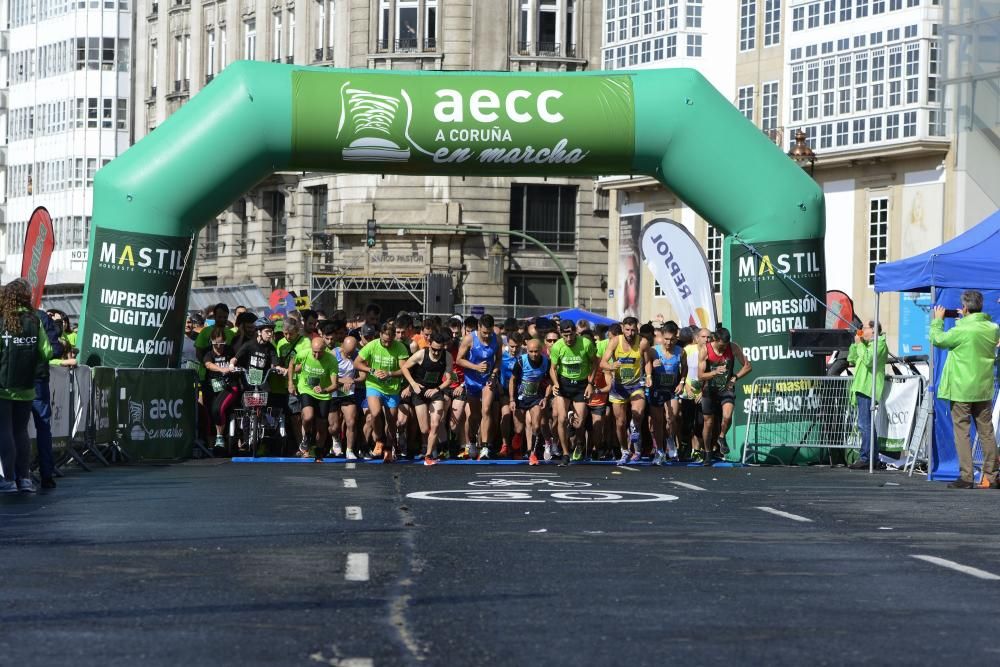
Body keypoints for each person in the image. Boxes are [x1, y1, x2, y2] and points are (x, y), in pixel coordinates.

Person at [929, 292, 1000, 489]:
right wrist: (967, 318)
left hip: (961, 387)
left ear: (965, 308)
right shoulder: (992, 328)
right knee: (987, 432)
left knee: (962, 431)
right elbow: (977, 331)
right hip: (983, 386)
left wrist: (937, 321)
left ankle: (966, 476)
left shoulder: (961, 330)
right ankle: (992, 476)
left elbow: (937, 339)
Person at [0, 279, 53, 493]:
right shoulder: (35, 320)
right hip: (27, 386)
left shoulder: (3, 319)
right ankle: (25, 479)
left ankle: (8, 479)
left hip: (3, 385)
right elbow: (47, 352)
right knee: (21, 431)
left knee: (4, 431)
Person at [353, 322, 410, 463]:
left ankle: (389, 448)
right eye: (384, 341)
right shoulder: (372, 345)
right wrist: (371, 370)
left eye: (390, 341)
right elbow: (357, 363)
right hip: (374, 385)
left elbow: (404, 369)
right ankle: (379, 439)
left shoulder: (400, 347)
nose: (387, 344)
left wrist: (390, 373)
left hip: (392, 389)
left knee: (392, 421)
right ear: (380, 336)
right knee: (376, 413)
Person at [601, 316, 652, 464]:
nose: (630, 333)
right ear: (622, 329)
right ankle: (625, 450)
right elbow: (603, 363)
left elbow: (647, 362)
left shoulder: (642, 342)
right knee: (620, 423)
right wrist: (611, 366)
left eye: (633, 330)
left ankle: (636, 441)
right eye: (627, 330)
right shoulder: (615, 341)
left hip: (636, 385)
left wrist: (648, 375)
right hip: (619, 386)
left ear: (637, 329)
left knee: (638, 414)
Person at [548, 319, 598, 466]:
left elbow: (595, 362)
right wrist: (556, 383)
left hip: (581, 384)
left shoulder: (586, 344)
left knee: (579, 423)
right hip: (564, 384)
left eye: (571, 335)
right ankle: (565, 453)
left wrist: (590, 383)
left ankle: (572, 420)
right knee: (561, 418)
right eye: (565, 336)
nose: (568, 339)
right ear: (561, 335)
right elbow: (552, 368)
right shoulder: (557, 346)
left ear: (575, 332)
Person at [698, 327, 752, 466]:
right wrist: (715, 372)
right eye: (721, 346)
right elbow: (700, 375)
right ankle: (708, 452)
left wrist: (735, 377)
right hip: (709, 389)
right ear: (715, 340)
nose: (723, 349)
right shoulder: (705, 350)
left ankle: (721, 437)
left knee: (727, 416)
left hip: (726, 388)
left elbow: (747, 366)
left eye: (726, 345)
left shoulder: (733, 348)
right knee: (708, 423)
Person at [401, 331, 454, 465]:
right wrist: (412, 384)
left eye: (439, 350)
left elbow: (449, 380)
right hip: (420, 391)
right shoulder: (421, 354)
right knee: (425, 429)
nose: (436, 353)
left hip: (435, 391)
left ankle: (429, 455)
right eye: (434, 350)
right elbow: (405, 368)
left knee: (436, 423)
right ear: (429, 345)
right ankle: (431, 444)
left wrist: (437, 389)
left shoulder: (447, 357)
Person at [456, 314, 502, 460]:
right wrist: (476, 367)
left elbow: (499, 360)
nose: (487, 336)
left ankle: (485, 446)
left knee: (486, 410)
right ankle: (472, 442)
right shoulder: (470, 339)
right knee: (474, 415)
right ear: (478, 328)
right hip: (472, 381)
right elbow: (459, 360)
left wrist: (494, 374)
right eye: (484, 333)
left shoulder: (497, 339)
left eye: (490, 332)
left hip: (487, 380)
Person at [846, 320, 889, 470]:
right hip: (861, 387)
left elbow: (869, 361)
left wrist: (860, 345)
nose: (862, 330)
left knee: (865, 424)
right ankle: (873, 457)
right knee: (867, 424)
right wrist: (855, 344)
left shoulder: (879, 344)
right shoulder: (865, 345)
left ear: (873, 330)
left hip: (868, 388)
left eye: (864, 328)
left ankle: (866, 457)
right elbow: (851, 359)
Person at [31, 304, 66, 489]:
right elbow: (54, 350)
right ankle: (46, 474)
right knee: (43, 426)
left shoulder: (5, 316)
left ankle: (14, 475)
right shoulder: (41, 317)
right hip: (37, 379)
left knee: (12, 429)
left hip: (10, 381)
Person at [289, 337, 338, 459]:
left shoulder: (331, 360)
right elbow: (292, 363)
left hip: (323, 394)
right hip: (306, 389)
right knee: (308, 415)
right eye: (314, 352)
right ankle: (307, 436)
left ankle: (319, 450)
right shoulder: (304, 354)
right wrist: (291, 382)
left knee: (322, 425)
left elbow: (335, 385)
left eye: (319, 352)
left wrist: (324, 390)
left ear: (325, 349)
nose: (316, 355)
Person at [509, 336, 551, 465]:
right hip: (520, 398)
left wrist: (545, 397)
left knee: (536, 425)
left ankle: (532, 454)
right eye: (531, 351)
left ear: (541, 350)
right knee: (519, 428)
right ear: (527, 351)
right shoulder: (521, 361)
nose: (534, 354)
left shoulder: (546, 362)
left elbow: (550, 382)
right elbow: (513, 380)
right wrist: (511, 399)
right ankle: (517, 436)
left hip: (536, 398)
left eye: (536, 351)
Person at [649, 322, 686, 464]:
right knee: (658, 422)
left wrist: (682, 382)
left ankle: (670, 440)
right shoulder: (654, 351)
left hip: (672, 390)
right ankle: (659, 451)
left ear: (676, 338)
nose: (668, 343)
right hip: (657, 389)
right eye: (666, 339)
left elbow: (685, 368)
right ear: (661, 337)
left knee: (672, 418)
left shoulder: (681, 351)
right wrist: (651, 367)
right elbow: (644, 366)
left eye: (672, 339)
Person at [202, 327, 239, 452]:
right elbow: (208, 364)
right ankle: (212, 442)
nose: (219, 346)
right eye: (216, 343)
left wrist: (232, 363)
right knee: (210, 412)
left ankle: (220, 437)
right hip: (213, 386)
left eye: (222, 343)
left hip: (229, 386)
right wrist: (221, 369)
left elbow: (234, 358)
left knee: (218, 408)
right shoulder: (208, 352)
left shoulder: (229, 350)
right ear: (212, 341)